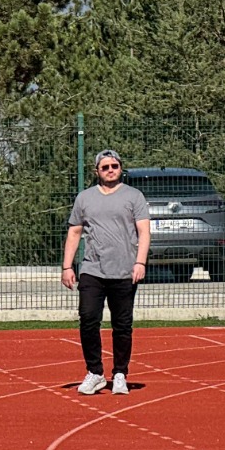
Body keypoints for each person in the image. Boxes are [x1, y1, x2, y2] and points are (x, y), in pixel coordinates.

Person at [62, 149, 151, 396]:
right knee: (88, 320)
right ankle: (95, 372)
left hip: (124, 270)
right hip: (92, 269)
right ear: (97, 171)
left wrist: (140, 262)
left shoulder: (134, 196)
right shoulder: (85, 198)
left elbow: (144, 232)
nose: (110, 170)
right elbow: (74, 232)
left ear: (121, 168)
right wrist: (67, 266)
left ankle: (120, 373)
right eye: (105, 167)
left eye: (114, 166)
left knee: (122, 325)